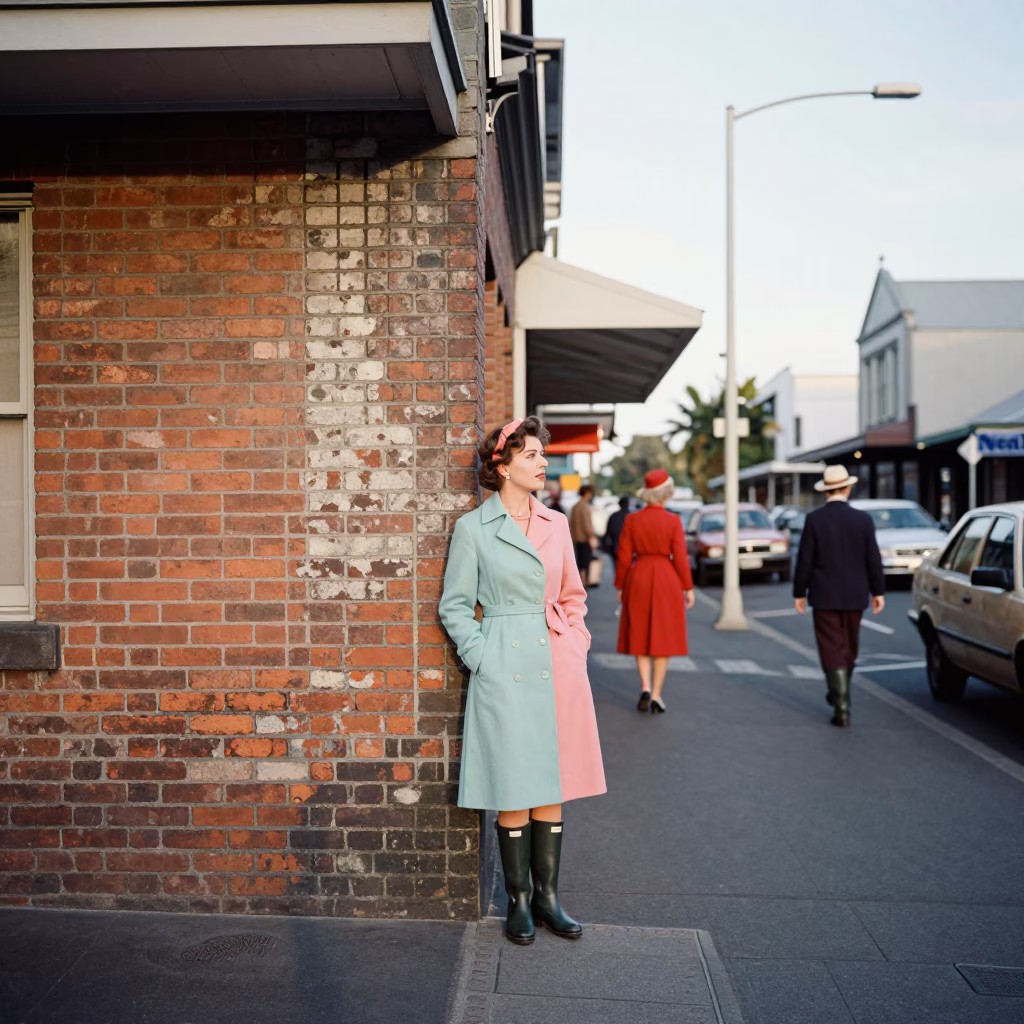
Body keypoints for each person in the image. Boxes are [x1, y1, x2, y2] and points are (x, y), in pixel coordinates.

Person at [439, 417, 606, 946]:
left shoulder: (557, 523)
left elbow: (574, 595)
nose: (542, 463)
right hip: (505, 662)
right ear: (502, 464)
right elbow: (456, 606)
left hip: (556, 658)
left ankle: (548, 897)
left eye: (542, 454)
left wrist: (575, 641)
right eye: (531, 455)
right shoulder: (474, 528)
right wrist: (481, 654)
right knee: (515, 781)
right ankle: (517, 900)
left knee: (552, 781)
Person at [793, 465, 885, 728]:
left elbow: (805, 561)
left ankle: (840, 701)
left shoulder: (814, 520)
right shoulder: (863, 520)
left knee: (830, 647)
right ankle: (840, 692)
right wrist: (878, 591)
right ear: (847, 488)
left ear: (826, 491)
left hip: (823, 595)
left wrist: (799, 592)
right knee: (850, 647)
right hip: (856, 594)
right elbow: (873, 559)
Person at [614, 469, 696, 714]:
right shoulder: (673, 521)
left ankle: (645, 686)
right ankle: (657, 695)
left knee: (639, 635)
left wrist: (620, 585)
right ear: (666, 494)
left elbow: (624, 556)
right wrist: (687, 587)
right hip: (666, 579)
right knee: (664, 639)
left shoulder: (632, 520)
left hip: (638, 577)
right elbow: (681, 558)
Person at [568, 483, 598, 581]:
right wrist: (592, 537)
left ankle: (580, 582)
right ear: (587, 493)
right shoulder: (585, 507)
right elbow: (587, 525)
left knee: (579, 563)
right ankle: (585, 583)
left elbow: (571, 524)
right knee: (586, 563)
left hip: (576, 539)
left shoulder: (575, 507)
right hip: (585, 539)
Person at [603, 495, 631, 569]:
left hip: (615, 547)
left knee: (617, 568)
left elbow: (607, 532)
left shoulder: (613, 516)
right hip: (629, 549)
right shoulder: (632, 516)